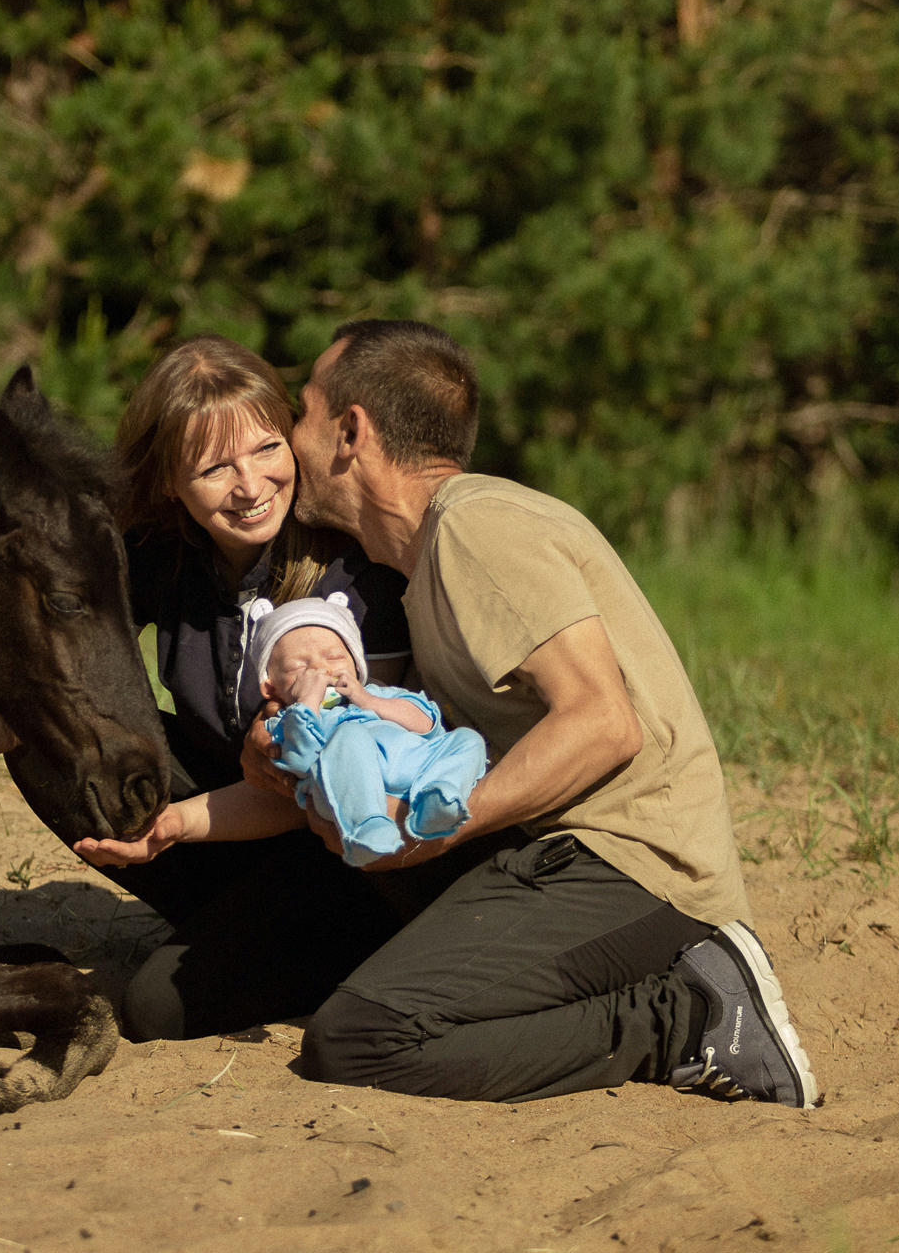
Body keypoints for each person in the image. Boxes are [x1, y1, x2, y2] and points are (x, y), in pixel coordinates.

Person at [257, 318, 819, 1107]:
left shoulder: (476, 527)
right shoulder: (429, 559)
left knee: (360, 1035)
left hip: (637, 867)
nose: (289, 434)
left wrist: (428, 828)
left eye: (303, 410)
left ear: (350, 433)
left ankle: (686, 1016)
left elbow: (602, 723)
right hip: (557, 851)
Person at [58, 336, 429, 1042]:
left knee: (153, 1010)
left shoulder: (353, 567)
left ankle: (326, 949)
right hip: (230, 818)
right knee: (49, 727)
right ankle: (230, 922)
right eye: (213, 467)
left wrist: (176, 823)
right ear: (169, 481)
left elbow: (330, 789)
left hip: (335, 850)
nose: (251, 485)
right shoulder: (160, 553)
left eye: (265, 449)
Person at [242, 595, 486, 868]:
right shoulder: (285, 720)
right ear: (271, 688)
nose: (320, 668)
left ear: (357, 666)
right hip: (347, 789)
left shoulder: (377, 694)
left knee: (468, 739)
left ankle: (439, 799)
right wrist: (308, 702)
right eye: (298, 666)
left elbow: (428, 726)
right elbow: (298, 761)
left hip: (415, 765)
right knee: (349, 735)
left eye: (334, 657)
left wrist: (368, 700)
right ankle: (366, 829)